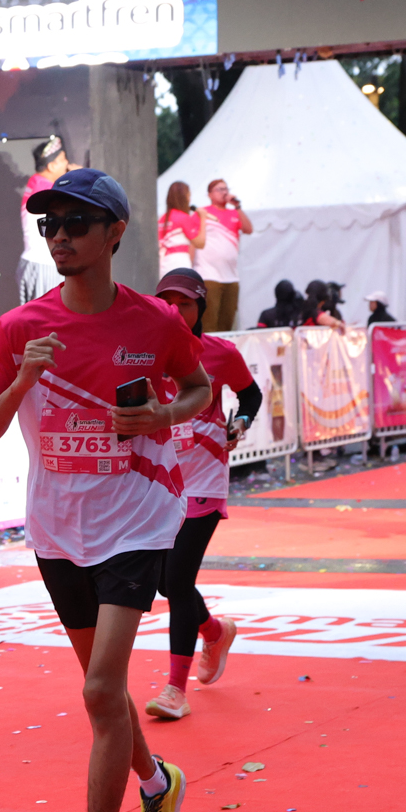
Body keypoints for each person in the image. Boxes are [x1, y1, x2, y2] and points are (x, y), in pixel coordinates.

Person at [0, 168, 212, 812]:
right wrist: (21, 382)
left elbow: (198, 388)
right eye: (51, 224)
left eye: (77, 222)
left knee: (102, 688)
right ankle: (156, 783)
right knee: (105, 695)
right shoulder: (20, 328)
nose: (61, 236)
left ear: (115, 233)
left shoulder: (154, 322)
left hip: (136, 518)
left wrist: (163, 415)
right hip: (58, 529)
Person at [147, 268, 258, 721]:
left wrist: (240, 423)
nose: (176, 311)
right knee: (164, 581)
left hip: (205, 479)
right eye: (167, 303)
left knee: (176, 581)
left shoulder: (220, 353)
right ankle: (213, 631)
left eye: (186, 304)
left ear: (201, 309)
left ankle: (175, 689)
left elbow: (250, 396)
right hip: (158, 481)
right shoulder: (143, 354)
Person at [191, 178, 254, 332]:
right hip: (208, 274)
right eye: (219, 189)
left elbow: (248, 229)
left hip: (231, 276)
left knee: (227, 322)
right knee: (209, 322)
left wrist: (237, 206)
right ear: (210, 194)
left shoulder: (234, 213)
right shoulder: (202, 213)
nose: (224, 192)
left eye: (226, 189)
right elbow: (192, 239)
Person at [17, 136, 71, 303]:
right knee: (47, 315)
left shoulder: (36, 182)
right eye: (63, 159)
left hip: (35, 262)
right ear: (51, 165)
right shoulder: (46, 189)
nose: (67, 163)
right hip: (44, 264)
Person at [156, 181, 205, 273]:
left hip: (163, 264)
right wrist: (203, 218)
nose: (189, 200)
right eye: (188, 196)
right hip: (179, 261)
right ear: (184, 198)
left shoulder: (162, 219)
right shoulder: (183, 217)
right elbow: (200, 243)